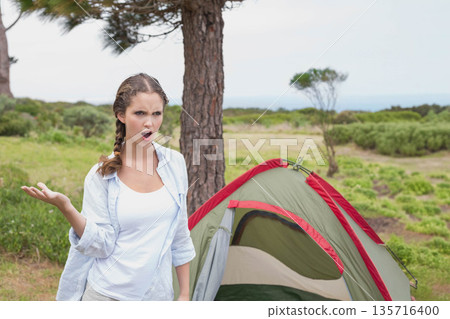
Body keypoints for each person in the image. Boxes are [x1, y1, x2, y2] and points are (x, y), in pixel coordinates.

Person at [21, 73, 196, 301]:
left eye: (156, 114)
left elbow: (180, 235)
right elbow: (100, 245)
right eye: (140, 113)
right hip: (106, 296)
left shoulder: (175, 164)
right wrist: (66, 207)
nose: (149, 123)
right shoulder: (101, 175)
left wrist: (184, 294)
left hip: (157, 297)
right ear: (121, 115)